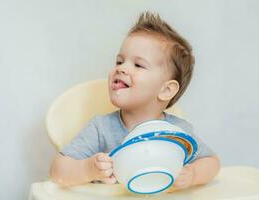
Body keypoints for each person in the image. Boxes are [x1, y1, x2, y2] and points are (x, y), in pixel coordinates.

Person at [50, 11, 220, 192]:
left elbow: (212, 162)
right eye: (119, 61)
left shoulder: (178, 133)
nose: (121, 68)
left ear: (166, 90)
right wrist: (88, 169)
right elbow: (57, 171)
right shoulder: (101, 129)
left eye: (138, 65)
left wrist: (192, 174)